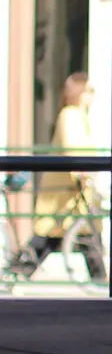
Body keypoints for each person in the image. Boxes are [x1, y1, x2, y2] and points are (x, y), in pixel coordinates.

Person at [8, 73, 97, 278]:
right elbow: (72, 146)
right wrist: (82, 171)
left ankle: (21, 270)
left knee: (73, 231)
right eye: (89, 91)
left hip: (71, 187)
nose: (92, 96)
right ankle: (20, 269)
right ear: (79, 93)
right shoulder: (70, 115)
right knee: (59, 232)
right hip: (66, 187)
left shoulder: (79, 115)